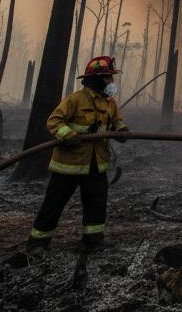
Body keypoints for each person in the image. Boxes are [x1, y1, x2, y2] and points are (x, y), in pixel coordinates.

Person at [25, 55, 129, 252]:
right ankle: (38, 242)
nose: (111, 82)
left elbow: (117, 122)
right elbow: (54, 121)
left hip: (96, 163)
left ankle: (93, 241)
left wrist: (122, 131)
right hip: (69, 164)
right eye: (107, 77)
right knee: (54, 203)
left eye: (110, 77)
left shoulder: (110, 103)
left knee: (96, 203)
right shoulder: (75, 100)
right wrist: (68, 134)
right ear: (96, 79)